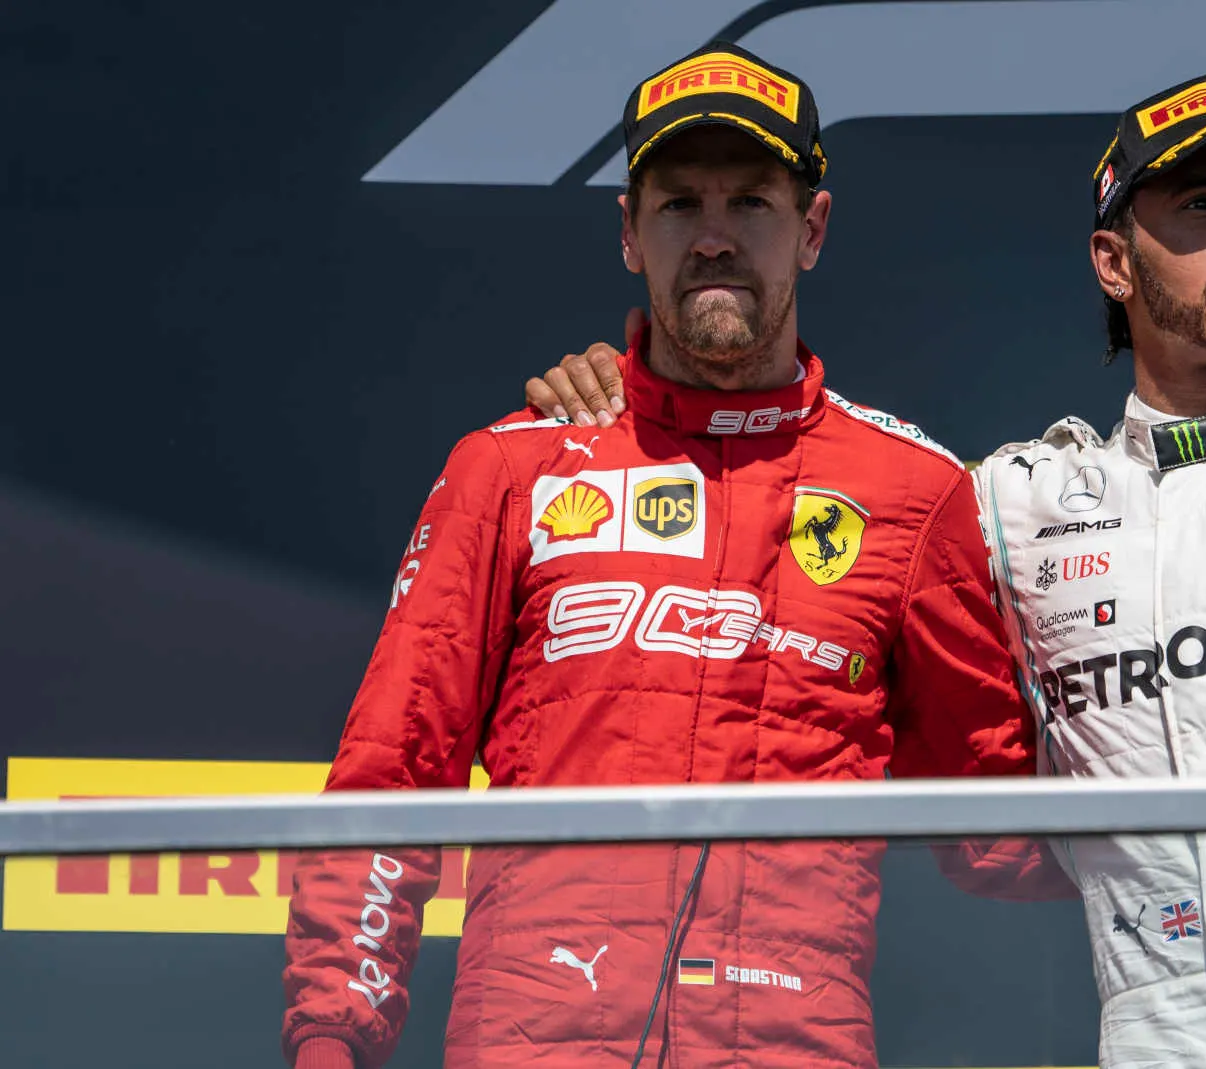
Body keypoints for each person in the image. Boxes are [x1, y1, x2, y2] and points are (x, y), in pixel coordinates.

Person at [524, 77, 1206, 1069]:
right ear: (1114, 263)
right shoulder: (1009, 504)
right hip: (1151, 1032)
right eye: (1203, 205)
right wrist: (631, 397)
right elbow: (800, 496)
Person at [282, 43, 1035, 1069]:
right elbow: (389, 773)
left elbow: (1002, 825)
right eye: (679, 204)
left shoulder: (915, 492)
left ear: (811, 229)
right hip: (537, 1041)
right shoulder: (514, 469)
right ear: (630, 233)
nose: (715, 238)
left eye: (752, 205)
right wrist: (334, 1036)